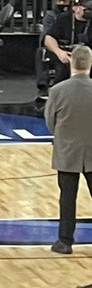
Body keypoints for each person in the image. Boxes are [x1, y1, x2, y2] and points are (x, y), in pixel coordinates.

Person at [44, 44, 92, 254]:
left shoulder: (57, 91)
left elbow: (49, 121)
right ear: (90, 64)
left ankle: (65, 242)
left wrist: (64, 136)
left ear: (72, 62)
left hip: (67, 151)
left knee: (67, 198)